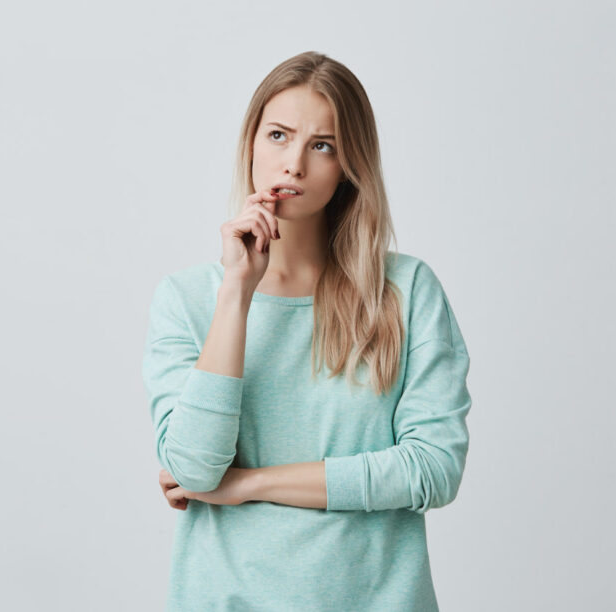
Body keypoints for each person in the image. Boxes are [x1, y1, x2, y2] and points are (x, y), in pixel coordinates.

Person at [142, 50, 472, 611]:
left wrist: (248, 485)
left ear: (349, 166)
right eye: (277, 135)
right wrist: (237, 296)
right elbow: (196, 467)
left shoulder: (406, 291)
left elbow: (432, 470)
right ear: (250, 142)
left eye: (322, 145)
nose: (293, 163)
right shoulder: (189, 299)